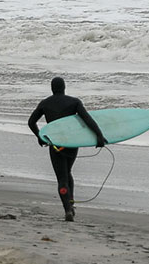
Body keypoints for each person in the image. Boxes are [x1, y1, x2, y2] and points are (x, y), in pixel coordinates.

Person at [27, 77, 106, 222]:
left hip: (56, 144)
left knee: (62, 178)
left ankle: (68, 209)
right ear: (64, 87)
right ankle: (71, 202)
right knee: (68, 172)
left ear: (52, 88)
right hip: (71, 144)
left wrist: (40, 136)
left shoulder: (45, 103)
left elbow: (31, 122)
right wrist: (99, 136)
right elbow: (87, 120)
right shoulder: (74, 102)